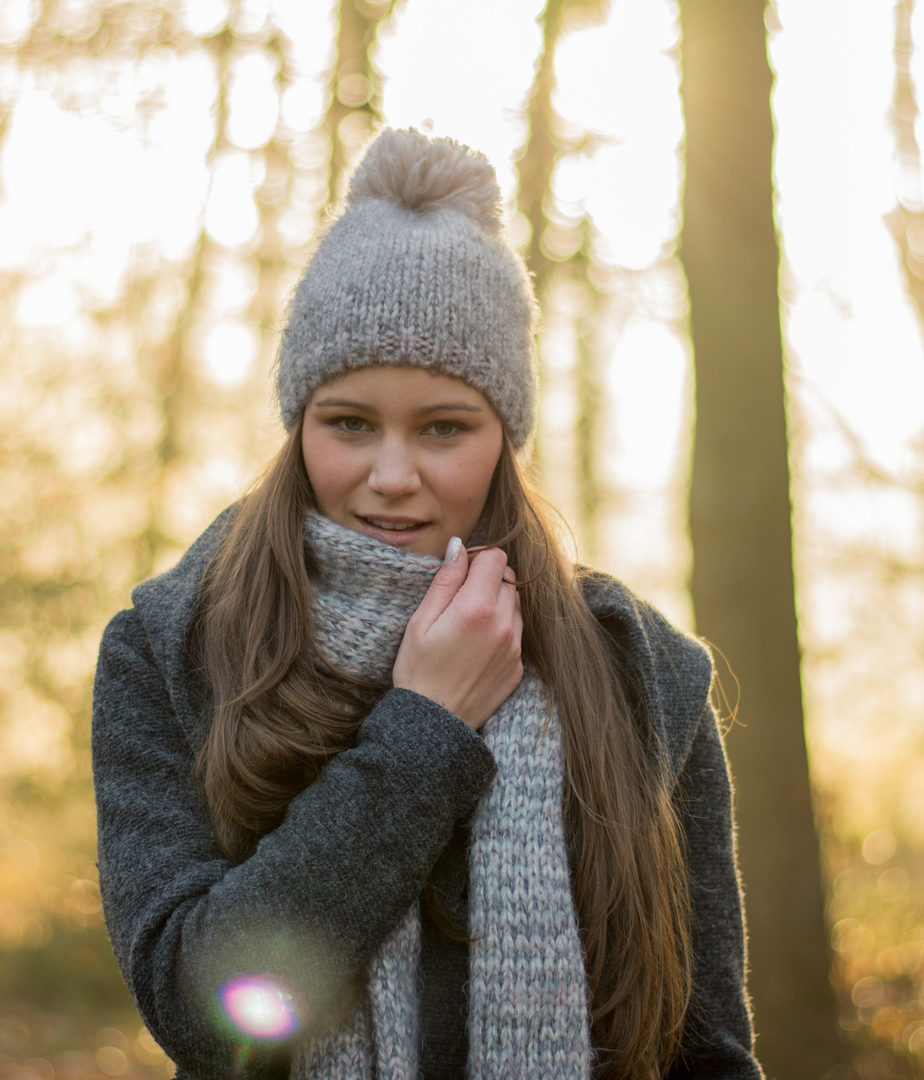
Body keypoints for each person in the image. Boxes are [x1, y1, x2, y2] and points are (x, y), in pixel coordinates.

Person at [92, 128, 762, 1080]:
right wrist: (424, 728)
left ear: (505, 436)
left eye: (444, 427)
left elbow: (707, 1050)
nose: (391, 476)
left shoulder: (637, 667)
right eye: (349, 424)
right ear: (298, 425)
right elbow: (203, 1014)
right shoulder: (173, 649)